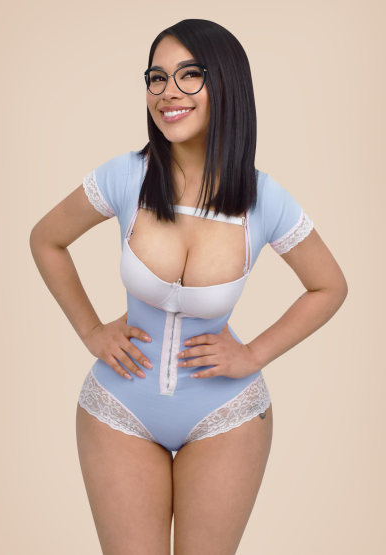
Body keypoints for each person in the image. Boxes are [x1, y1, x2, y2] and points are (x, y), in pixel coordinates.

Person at [30, 18, 348, 555]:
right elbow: (46, 240)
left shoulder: (264, 199)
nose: (168, 92)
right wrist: (90, 330)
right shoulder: (125, 176)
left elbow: (329, 287)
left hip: (226, 416)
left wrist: (253, 354)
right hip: (118, 408)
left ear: (225, 83)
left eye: (189, 75)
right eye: (157, 78)